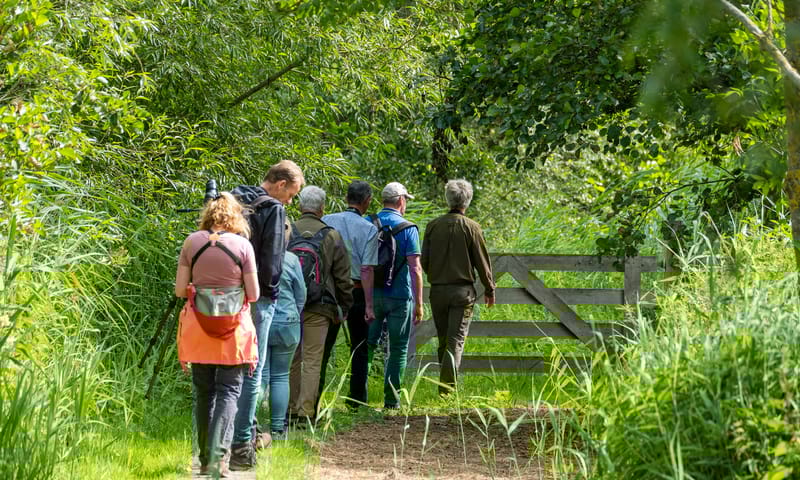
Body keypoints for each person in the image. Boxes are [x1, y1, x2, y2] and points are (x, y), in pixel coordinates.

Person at [174, 192, 260, 478]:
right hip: (233, 329)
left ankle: (203, 458)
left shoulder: (191, 242)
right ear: (235, 217)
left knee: (204, 392)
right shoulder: (243, 245)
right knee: (229, 390)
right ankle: (218, 459)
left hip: (199, 328)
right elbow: (254, 294)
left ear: (208, 215)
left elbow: (180, 290)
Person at [229, 160, 304, 469]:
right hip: (258, 298)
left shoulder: (234, 198)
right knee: (253, 368)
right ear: (281, 184)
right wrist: (267, 295)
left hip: (225, 294)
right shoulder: (273, 209)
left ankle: (226, 433)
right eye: (291, 194)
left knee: (228, 366)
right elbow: (272, 260)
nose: (290, 201)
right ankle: (243, 442)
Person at [422, 179, 495, 394]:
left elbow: (424, 261)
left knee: (444, 340)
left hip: (437, 291)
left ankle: (445, 389)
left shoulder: (433, 226)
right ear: (467, 200)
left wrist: (437, 274)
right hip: (462, 292)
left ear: (448, 199)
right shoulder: (472, 227)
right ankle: (447, 391)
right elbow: (482, 262)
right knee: (455, 341)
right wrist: (489, 288)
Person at [288, 186, 353, 424]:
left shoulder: (288, 231)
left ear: (300, 206)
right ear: (322, 208)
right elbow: (343, 277)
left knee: (292, 358)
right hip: (320, 306)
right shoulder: (332, 236)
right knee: (313, 359)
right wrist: (344, 307)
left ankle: (289, 410)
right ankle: (306, 413)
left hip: (290, 306)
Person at [318, 180, 378, 410]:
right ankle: (356, 400)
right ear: (367, 201)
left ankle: (314, 397)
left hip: (329, 290)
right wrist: (370, 305)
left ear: (346, 198)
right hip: (356, 291)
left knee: (324, 346)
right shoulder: (369, 229)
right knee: (359, 346)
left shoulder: (327, 220)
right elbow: (367, 269)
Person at [366, 182, 424, 409]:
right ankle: (392, 401)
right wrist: (419, 304)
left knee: (367, 345)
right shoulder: (408, 228)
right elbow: (415, 268)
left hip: (371, 294)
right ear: (401, 200)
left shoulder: (367, 223)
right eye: (406, 199)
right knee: (398, 348)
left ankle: (358, 398)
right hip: (400, 295)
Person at [260, 221, 306, 441]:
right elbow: (301, 294)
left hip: (261, 321)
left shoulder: (257, 257)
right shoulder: (292, 260)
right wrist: (293, 314)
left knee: (260, 375)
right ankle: (278, 428)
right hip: (288, 322)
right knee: (281, 376)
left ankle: (251, 425)